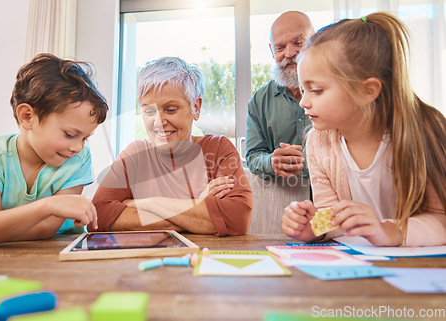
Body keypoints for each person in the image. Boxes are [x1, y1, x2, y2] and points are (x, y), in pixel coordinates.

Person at [282, 12, 446, 246]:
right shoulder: (318, 142)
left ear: (367, 91)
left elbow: (442, 218)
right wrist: (314, 227)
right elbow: (332, 216)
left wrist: (390, 231)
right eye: (302, 89)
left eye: (317, 90)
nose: (303, 102)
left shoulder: (425, 130)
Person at [91, 56, 252, 236]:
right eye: (149, 111)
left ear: (196, 107)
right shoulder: (135, 155)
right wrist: (197, 209)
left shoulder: (219, 148)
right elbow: (97, 216)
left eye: (171, 110)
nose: (158, 123)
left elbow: (238, 219)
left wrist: (146, 204)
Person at [0, 53, 109, 247]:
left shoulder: (78, 159)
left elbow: (47, 228)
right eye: (70, 134)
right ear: (27, 117)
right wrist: (49, 205)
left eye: (85, 138)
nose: (78, 147)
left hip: (58, 255)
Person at [245, 11, 314, 180]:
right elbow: (253, 156)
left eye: (298, 43)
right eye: (280, 48)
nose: (289, 54)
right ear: (271, 50)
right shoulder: (259, 101)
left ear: (314, 42)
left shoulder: (336, 91)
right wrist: (271, 161)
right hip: (282, 198)